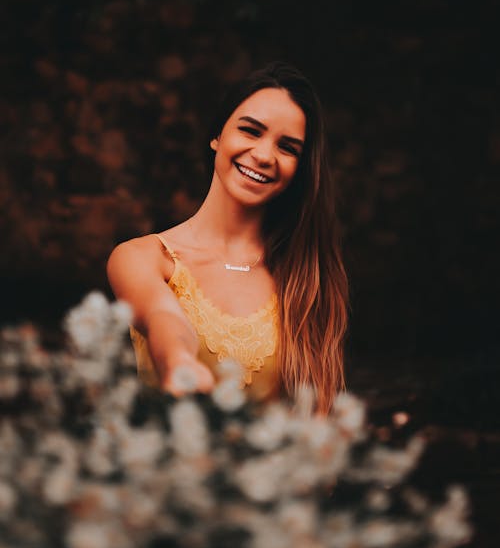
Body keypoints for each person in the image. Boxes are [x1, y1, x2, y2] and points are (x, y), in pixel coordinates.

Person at [107, 62, 348, 414]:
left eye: (288, 147)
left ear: (300, 169)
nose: (264, 156)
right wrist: (178, 362)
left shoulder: (306, 278)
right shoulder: (142, 257)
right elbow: (163, 318)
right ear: (217, 135)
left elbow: (318, 423)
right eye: (251, 131)